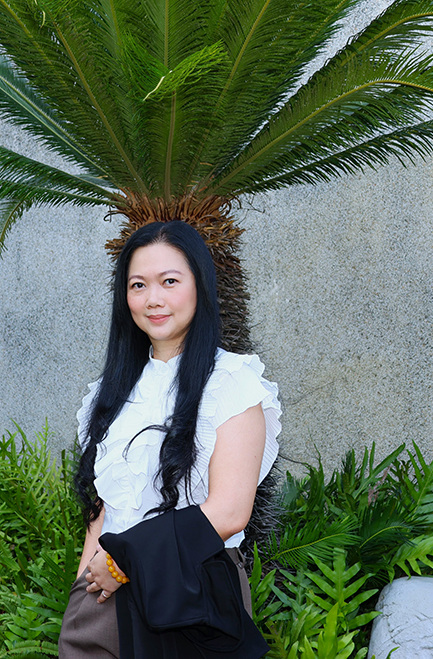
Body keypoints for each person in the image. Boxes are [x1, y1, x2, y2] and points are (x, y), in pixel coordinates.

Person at [58, 220, 281, 659]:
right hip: (103, 599)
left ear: (201, 285)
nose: (153, 299)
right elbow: (103, 510)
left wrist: (124, 558)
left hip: (194, 594)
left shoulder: (232, 383)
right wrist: (82, 593)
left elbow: (230, 512)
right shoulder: (109, 393)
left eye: (170, 281)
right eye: (138, 285)